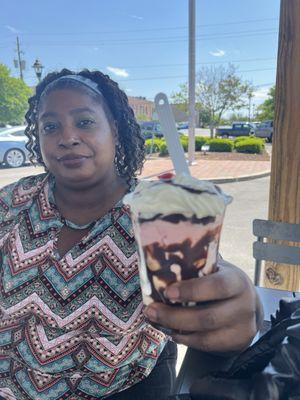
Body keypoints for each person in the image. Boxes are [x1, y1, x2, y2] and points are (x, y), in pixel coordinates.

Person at [0, 69, 263, 400]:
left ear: (114, 128)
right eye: (50, 126)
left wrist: (240, 309)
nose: (67, 137)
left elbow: (207, 285)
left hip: (121, 387)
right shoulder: (12, 202)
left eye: (84, 122)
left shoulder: (156, 207)